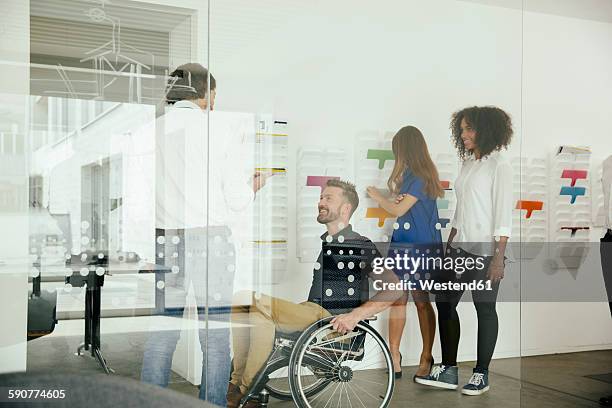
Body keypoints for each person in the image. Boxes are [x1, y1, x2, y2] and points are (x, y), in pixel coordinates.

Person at [141, 63, 269, 407]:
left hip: (167, 238)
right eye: (214, 93)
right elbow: (236, 197)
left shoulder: (153, 130)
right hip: (210, 240)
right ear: (206, 93)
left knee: (163, 333)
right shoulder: (218, 129)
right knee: (213, 338)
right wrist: (254, 186)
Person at [227, 179, 401, 408]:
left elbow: (395, 287)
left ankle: (240, 388)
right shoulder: (330, 243)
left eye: (329, 198)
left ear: (346, 208)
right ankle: (245, 392)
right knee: (258, 319)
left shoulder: (361, 246)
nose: (321, 202)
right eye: (321, 197)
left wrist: (355, 316)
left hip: (328, 322)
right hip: (312, 315)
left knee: (243, 298)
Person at [415, 106, 513, 396]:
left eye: (469, 129)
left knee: (485, 309)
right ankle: (448, 370)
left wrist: (498, 258)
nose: (464, 134)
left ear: (486, 129)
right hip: (458, 248)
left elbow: (502, 215)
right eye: (461, 130)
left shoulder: (499, 165)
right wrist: (450, 242)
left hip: (485, 252)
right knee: (445, 304)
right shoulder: (468, 163)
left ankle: (481, 375)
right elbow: (462, 208)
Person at [366, 126, 443, 380]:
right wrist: (390, 195)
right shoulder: (410, 175)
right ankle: (394, 355)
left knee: (421, 302)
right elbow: (400, 206)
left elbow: (397, 210)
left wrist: (377, 196)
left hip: (421, 248)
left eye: (397, 150)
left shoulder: (421, 177)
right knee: (398, 299)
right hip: (403, 246)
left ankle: (426, 355)